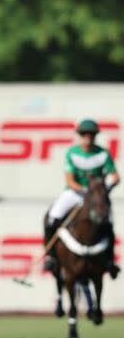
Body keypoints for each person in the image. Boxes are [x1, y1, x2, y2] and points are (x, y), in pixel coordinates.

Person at [44, 119, 120, 278]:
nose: (88, 137)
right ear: (80, 136)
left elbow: (115, 176)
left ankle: (110, 261)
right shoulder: (72, 153)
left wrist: (105, 187)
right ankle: (51, 256)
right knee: (52, 217)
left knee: (108, 222)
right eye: (85, 134)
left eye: (91, 135)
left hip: (97, 196)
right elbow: (70, 180)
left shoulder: (103, 154)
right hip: (75, 193)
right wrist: (86, 190)